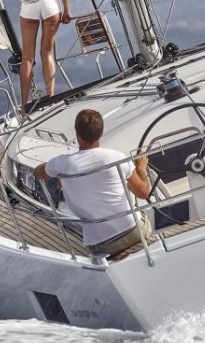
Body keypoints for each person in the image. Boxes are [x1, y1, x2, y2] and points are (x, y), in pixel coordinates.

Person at [34, 109, 153, 256]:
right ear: (101, 133)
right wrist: (141, 168)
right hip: (134, 232)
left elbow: (37, 172)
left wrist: (61, 174)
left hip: (101, 245)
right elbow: (143, 192)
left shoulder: (63, 164)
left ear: (77, 134)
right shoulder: (116, 157)